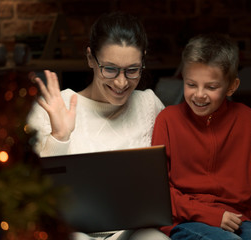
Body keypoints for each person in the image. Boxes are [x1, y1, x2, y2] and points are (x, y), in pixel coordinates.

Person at [26, 12, 169, 240]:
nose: (121, 82)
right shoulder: (54, 107)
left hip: (134, 231)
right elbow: (30, 190)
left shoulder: (148, 105)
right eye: (110, 69)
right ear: (91, 59)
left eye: (132, 70)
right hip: (75, 233)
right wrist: (59, 136)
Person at [151, 33, 251, 240]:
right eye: (191, 84)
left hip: (239, 220)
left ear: (232, 86)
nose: (199, 94)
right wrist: (213, 215)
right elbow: (160, 192)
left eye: (211, 87)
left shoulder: (247, 119)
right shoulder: (168, 120)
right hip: (186, 221)